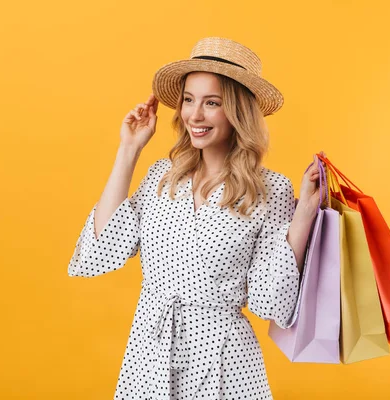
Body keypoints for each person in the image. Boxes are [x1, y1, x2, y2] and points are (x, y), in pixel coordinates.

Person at [68, 37, 323, 399]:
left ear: (238, 113)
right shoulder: (162, 176)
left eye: (212, 103)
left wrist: (304, 217)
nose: (195, 115)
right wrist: (129, 150)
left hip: (223, 363)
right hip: (148, 354)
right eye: (189, 100)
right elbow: (100, 252)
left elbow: (269, 302)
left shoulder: (270, 189)